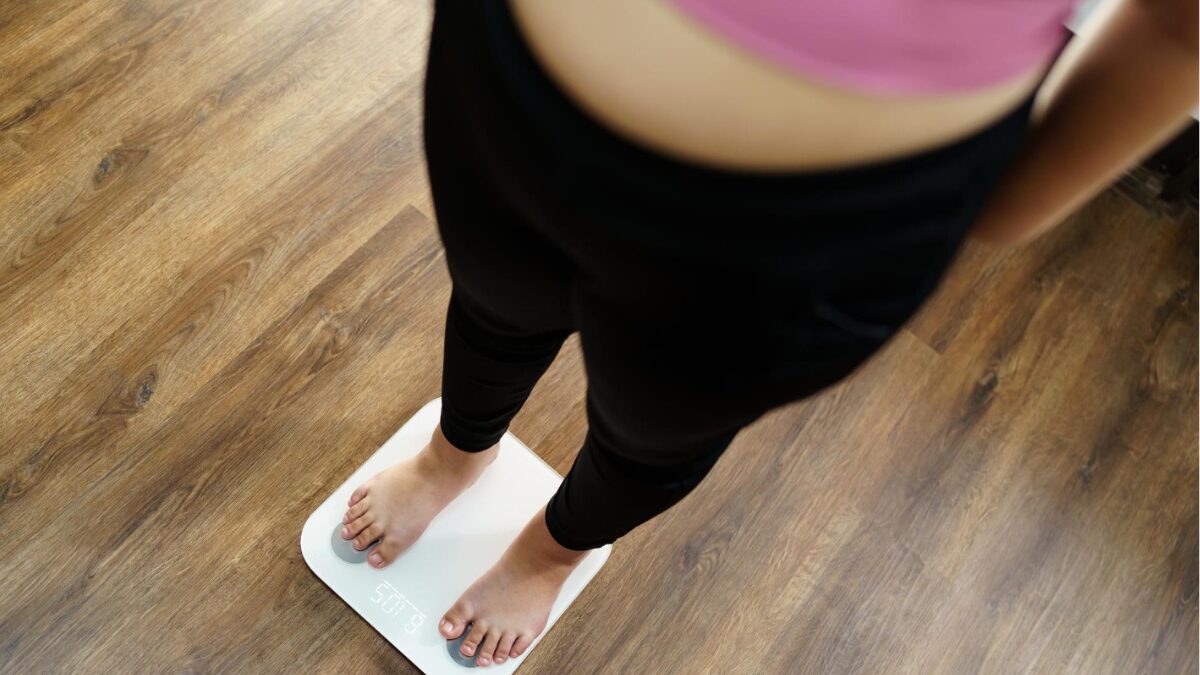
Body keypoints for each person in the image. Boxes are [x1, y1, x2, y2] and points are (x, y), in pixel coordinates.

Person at [340, 0, 1198, 666]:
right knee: (494, 304)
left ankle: (549, 554)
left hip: (821, 218)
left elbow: (1177, 24)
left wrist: (1006, 206)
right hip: (511, 76)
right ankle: (454, 454)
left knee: (653, 428)